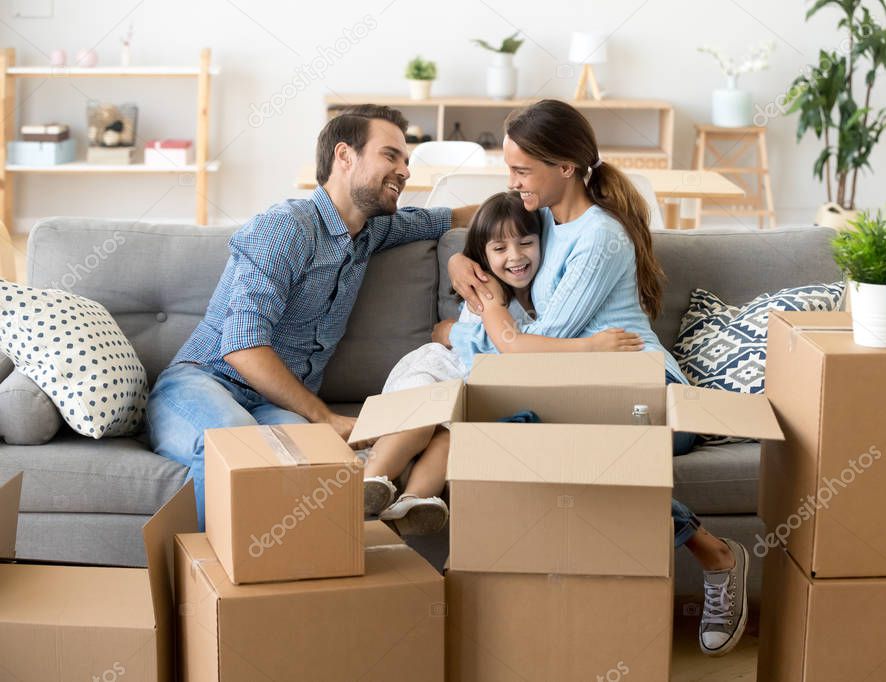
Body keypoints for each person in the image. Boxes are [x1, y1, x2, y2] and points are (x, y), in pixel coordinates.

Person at [442, 99, 749, 657]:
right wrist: (459, 262)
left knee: (555, 444)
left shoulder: (599, 237)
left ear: (565, 168)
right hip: (585, 392)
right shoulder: (541, 217)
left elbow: (528, 348)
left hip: (650, 394)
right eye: (509, 169)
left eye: (520, 171)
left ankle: (717, 555)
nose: (512, 182)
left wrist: (484, 311)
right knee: (524, 436)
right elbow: (478, 220)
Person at [146, 104, 477, 530]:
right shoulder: (286, 227)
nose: (405, 171)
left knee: (318, 470)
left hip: (273, 406)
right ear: (345, 156)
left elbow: (458, 218)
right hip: (204, 382)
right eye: (391, 155)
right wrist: (323, 417)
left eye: (406, 161)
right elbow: (242, 347)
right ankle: (208, 585)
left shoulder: (373, 231)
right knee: (232, 445)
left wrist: (541, 201)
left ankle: (301, 585)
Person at [363, 190, 644, 534]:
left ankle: (414, 502)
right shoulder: (489, 291)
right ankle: (369, 481)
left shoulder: (549, 291)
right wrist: (591, 347)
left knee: (450, 439)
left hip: (471, 390)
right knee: (423, 419)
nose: (515, 256)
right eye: (499, 249)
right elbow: (514, 346)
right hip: (443, 371)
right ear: (483, 256)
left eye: (526, 243)